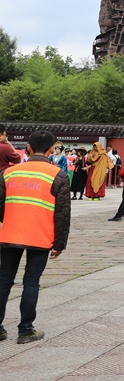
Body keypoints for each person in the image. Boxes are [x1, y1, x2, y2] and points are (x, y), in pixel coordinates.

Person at [0, 129, 70, 343]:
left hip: (9, 234)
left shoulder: (9, 173)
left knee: (3, 281)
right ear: (51, 150)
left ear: (27, 149)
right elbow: (62, 213)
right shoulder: (58, 175)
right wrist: (59, 243)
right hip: (40, 236)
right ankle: (25, 330)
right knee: (31, 281)